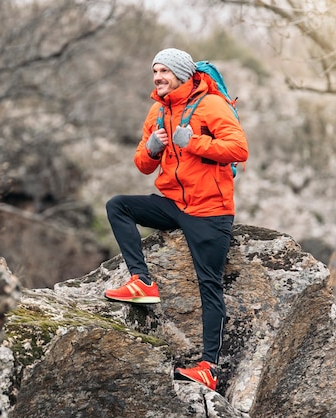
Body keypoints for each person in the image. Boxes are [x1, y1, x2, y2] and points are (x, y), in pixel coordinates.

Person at [103, 48, 249, 390]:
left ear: (181, 74)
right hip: (173, 204)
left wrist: (194, 141)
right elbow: (143, 164)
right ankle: (142, 281)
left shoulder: (212, 105)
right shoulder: (157, 111)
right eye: (154, 71)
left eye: (164, 71)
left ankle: (209, 369)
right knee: (118, 205)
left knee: (209, 285)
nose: (157, 77)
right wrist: (153, 146)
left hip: (211, 210)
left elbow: (239, 149)